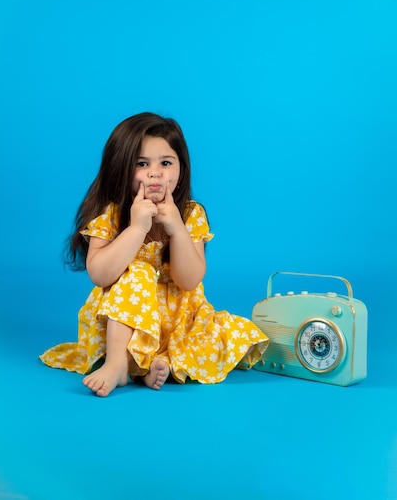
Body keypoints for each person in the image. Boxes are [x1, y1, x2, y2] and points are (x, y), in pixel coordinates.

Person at [40, 112, 269, 396]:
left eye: (166, 163)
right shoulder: (111, 214)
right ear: (121, 168)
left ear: (181, 169)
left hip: (177, 323)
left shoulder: (190, 214)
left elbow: (189, 280)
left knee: (227, 332)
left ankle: (156, 366)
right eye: (142, 164)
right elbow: (100, 275)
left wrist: (177, 230)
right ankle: (117, 364)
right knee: (137, 272)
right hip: (120, 329)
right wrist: (136, 229)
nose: (155, 173)